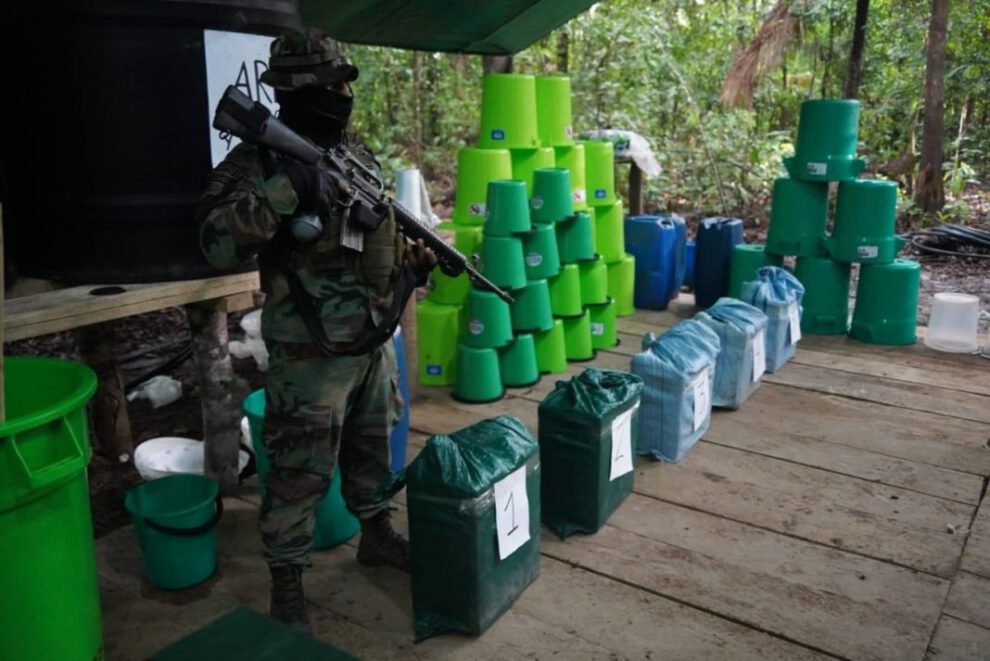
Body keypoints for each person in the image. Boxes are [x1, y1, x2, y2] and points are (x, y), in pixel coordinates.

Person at [197, 28, 437, 633]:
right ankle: (287, 582)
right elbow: (214, 244)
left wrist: (411, 264)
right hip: (309, 354)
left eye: (343, 82)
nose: (341, 93)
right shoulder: (258, 162)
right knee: (299, 474)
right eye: (330, 83)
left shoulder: (355, 154)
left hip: (370, 341)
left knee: (371, 452)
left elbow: (372, 236)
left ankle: (376, 534)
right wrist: (286, 191)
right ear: (298, 90)